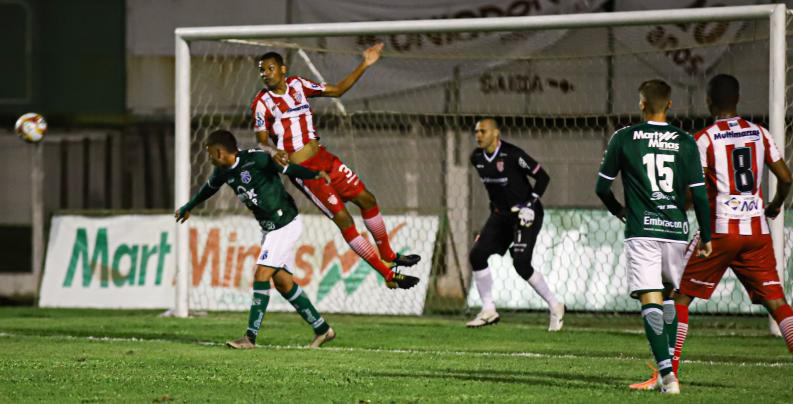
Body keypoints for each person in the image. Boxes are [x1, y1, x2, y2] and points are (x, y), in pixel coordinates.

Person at [632, 74, 793, 389]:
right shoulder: (759, 133)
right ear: (738, 98)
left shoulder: (703, 138)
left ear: (708, 101)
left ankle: (667, 374)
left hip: (718, 232)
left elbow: (693, 191)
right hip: (756, 231)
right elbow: (786, 178)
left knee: (679, 297)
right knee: (777, 301)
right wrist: (774, 205)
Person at [250, 44, 420, 290]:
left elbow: (338, 90)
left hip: (324, 158)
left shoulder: (298, 85)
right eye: (261, 70)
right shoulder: (262, 103)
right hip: (306, 171)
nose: (265, 73)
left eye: (270, 68)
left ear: (283, 69)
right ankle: (387, 273)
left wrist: (365, 63)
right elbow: (261, 140)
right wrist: (274, 152)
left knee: (367, 199)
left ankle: (389, 254)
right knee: (344, 218)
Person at [596, 79, 712, 395]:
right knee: (670, 296)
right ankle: (669, 373)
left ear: (641, 104)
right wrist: (708, 236)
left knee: (650, 299)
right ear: (670, 105)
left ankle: (667, 378)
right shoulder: (686, 141)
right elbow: (700, 196)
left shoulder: (624, 138)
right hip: (676, 229)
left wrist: (620, 211)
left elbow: (601, 188)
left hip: (642, 229)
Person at [175, 129, 335, 349]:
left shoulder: (256, 159)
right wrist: (188, 207)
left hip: (284, 223)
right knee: (283, 283)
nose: (210, 157)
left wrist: (316, 175)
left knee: (261, 273)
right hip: (269, 229)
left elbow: (288, 169)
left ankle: (249, 338)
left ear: (220, 152)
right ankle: (323, 329)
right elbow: (207, 190)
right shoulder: (222, 171)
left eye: (211, 153)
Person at [466, 118, 565, 331]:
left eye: (483, 131)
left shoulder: (513, 155)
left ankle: (555, 306)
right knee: (477, 255)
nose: (478, 135)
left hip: (526, 213)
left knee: (521, 263)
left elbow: (543, 178)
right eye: (476, 132)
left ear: (496, 133)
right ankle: (488, 309)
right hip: (500, 215)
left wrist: (530, 203)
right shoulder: (476, 158)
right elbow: (497, 192)